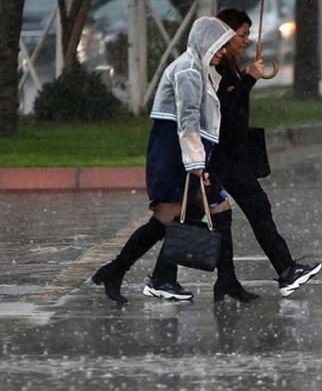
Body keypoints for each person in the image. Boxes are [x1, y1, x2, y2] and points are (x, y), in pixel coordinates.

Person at [92, 16, 237, 304]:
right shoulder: (188, 71)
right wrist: (197, 164)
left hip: (184, 153)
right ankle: (134, 273)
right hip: (174, 155)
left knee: (198, 213)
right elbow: (187, 120)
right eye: (219, 45)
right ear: (205, 43)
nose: (223, 51)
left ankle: (155, 276)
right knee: (167, 220)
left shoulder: (200, 70)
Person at [210, 8, 322, 297]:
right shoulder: (216, 66)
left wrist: (248, 77)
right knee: (182, 218)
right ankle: (158, 275)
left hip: (233, 156)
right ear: (226, 34)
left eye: (248, 34)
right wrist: (246, 80)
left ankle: (280, 270)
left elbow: (233, 106)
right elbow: (224, 109)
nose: (247, 40)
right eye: (243, 35)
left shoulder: (229, 65)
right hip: (220, 156)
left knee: (254, 210)